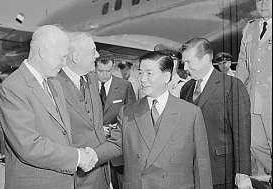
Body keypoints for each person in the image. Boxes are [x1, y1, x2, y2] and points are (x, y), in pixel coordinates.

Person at [0, 25, 97, 189]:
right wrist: (78, 157)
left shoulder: (55, 85)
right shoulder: (13, 87)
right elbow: (29, 146)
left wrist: (84, 152)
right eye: (62, 57)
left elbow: (61, 134)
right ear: (42, 52)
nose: (65, 64)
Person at [113, 51, 212, 188]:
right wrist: (85, 155)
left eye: (149, 73)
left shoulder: (191, 113)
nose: (142, 79)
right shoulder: (127, 111)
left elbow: (202, 166)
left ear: (166, 77)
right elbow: (114, 145)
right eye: (140, 72)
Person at [180, 38, 252, 189]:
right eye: (184, 62)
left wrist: (242, 173)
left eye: (189, 62)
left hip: (221, 171)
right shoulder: (186, 88)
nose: (185, 67)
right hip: (191, 172)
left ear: (206, 59)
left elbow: (242, 133)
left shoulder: (232, 85)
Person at [56, 32, 122, 189]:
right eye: (93, 51)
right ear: (76, 57)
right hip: (75, 177)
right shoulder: (54, 84)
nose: (98, 55)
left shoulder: (92, 79)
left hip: (101, 173)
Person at [237, 0, 272, 179]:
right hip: (253, 97)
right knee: (254, 143)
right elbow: (243, 62)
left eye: (268, 0)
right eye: (259, 0)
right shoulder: (250, 28)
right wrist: (236, 90)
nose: (263, 4)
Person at [95, 50, 136, 189]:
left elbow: (132, 117)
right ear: (94, 68)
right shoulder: (86, 86)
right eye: (101, 71)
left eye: (108, 70)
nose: (105, 75)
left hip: (117, 149)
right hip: (95, 147)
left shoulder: (124, 86)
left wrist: (117, 128)